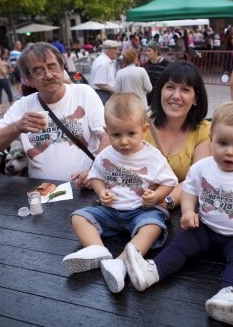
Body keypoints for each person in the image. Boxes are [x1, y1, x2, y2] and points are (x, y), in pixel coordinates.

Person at [122, 101, 233, 327]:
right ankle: (151, 272)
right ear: (211, 140)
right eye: (222, 143)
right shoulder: (202, 167)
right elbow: (189, 190)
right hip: (205, 228)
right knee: (180, 245)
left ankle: (228, 295)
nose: (229, 151)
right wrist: (188, 211)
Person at [62, 93, 178, 294]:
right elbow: (95, 176)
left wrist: (157, 196)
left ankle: (122, 262)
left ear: (143, 130)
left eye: (131, 134)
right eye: (116, 135)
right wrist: (102, 190)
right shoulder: (106, 154)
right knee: (79, 217)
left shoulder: (152, 157)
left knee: (153, 227)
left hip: (142, 210)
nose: (124, 141)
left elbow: (170, 182)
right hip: (111, 210)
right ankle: (97, 250)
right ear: (107, 132)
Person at [0, 42, 109, 183]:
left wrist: (94, 173)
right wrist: (17, 127)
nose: (48, 75)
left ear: (62, 67)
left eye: (52, 66)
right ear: (29, 79)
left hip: (84, 188)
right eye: (38, 71)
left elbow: (106, 136)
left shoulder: (84, 93)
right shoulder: (22, 106)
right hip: (44, 194)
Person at [144, 60, 212, 208]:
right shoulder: (139, 122)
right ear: (160, 91)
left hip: (174, 210)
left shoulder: (203, 131)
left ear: (195, 98)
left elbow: (197, 178)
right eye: (170, 87)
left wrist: (165, 201)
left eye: (185, 90)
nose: (176, 95)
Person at [90, 40, 121, 104]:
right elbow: (99, 83)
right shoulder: (103, 62)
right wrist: (114, 91)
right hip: (104, 94)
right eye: (115, 49)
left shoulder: (105, 61)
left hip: (105, 93)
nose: (118, 52)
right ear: (108, 51)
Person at [144, 41, 170, 105]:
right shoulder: (148, 63)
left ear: (156, 52)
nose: (147, 53)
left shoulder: (165, 63)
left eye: (149, 51)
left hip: (161, 93)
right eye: (146, 51)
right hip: (150, 94)